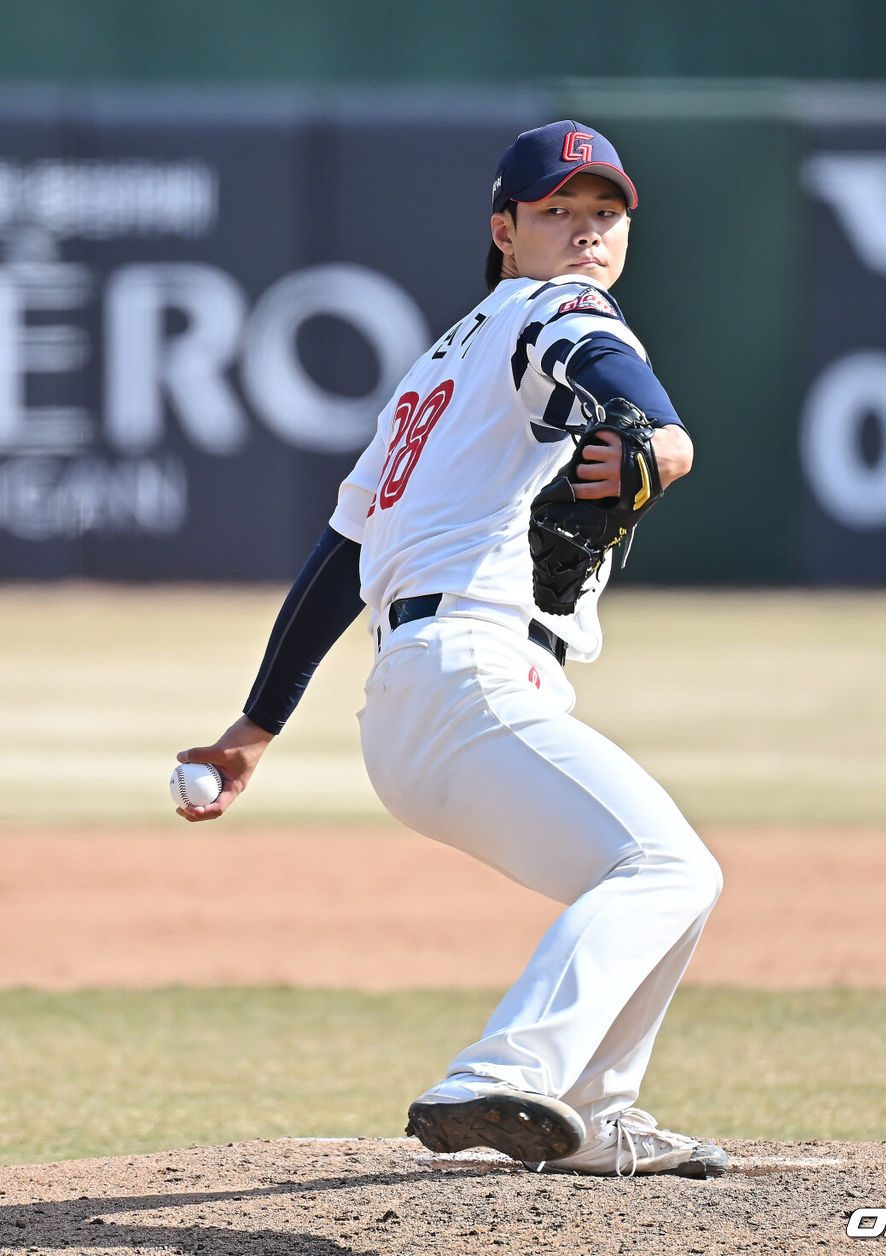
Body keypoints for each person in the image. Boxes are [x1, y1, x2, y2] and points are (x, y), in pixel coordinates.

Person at [176, 120, 727, 1179]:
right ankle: (499, 1070)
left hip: (416, 705)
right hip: (472, 671)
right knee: (663, 864)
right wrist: (664, 438)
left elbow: (341, 551)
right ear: (503, 227)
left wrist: (255, 725)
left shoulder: (440, 365)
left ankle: (596, 1111)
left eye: (603, 213)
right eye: (556, 211)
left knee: (663, 874)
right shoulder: (556, 308)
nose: (583, 232)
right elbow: (614, 377)